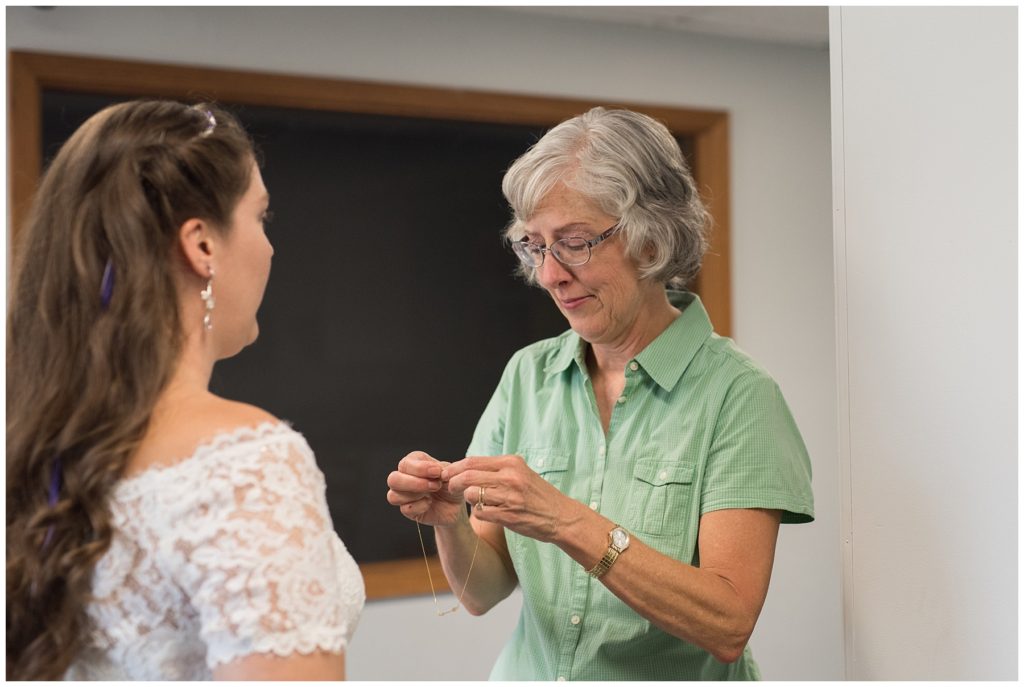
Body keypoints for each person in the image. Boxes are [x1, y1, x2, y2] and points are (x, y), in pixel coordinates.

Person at [387, 107, 814, 680]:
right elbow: (481, 591)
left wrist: (565, 520)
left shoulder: (739, 395)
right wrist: (449, 523)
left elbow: (728, 623)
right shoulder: (527, 376)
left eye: (575, 242)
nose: (549, 275)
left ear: (651, 238)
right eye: (535, 246)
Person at [6, 100, 364, 680]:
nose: (269, 248)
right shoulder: (245, 464)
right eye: (261, 217)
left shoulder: (30, 449)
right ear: (201, 245)